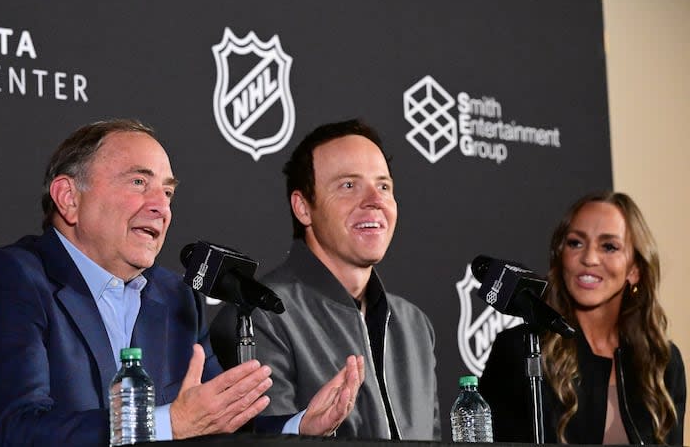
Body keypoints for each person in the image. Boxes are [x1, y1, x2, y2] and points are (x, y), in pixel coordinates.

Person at [0, 119, 365, 446]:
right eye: (139, 182)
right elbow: (18, 431)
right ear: (69, 198)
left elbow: (217, 420)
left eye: (168, 193)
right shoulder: (9, 281)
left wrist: (298, 426)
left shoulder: (175, 297)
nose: (161, 207)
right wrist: (168, 424)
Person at [211, 119, 440, 440]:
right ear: (303, 208)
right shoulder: (259, 314)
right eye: (349, 185)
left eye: (384, 186)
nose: (375, 199)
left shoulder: (414, 324)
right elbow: (266, 442)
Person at [479, 191, 686, 444]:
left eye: (609, 246)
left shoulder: (662, 361)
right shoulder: (520, 350)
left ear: (634, 269)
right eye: (576, 243)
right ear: (560, 256)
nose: (589, 258)